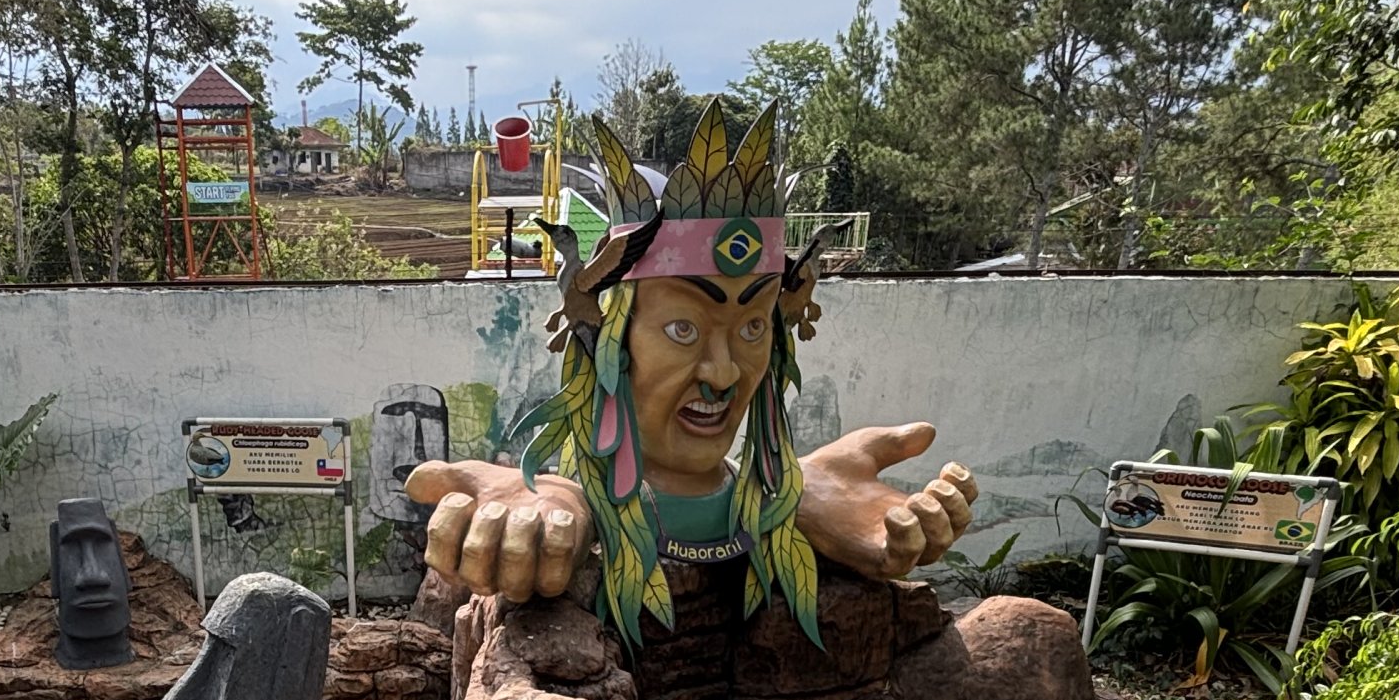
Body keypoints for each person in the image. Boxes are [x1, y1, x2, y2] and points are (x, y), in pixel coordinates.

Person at [405, 99, 974, 649]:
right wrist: (553, 499)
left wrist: (803, 492)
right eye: (682, 329)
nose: (724, 373)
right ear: (611, 339)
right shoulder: (566, 510)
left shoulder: (784, 508)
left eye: (753, 328)